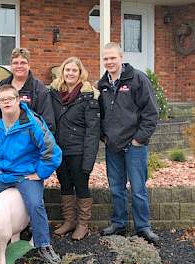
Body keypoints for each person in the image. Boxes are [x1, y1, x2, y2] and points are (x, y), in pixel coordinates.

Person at [0, 84, 62, 264]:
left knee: (35, 204)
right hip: (2, 174)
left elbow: (52, 151)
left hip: (26, 174)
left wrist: (40, 172)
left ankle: (43, 244)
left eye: (10, 98)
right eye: (2, 100)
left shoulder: (32, 122)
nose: (6, 102)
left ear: (18, 100)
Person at [98, 42, 159, 244]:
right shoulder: (103, 84)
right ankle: (119, 224)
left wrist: (139, 139)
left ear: (121, 57)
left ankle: (143, 227)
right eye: (106, 58)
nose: (109, 61)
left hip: (134, 145)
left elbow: (151, 112)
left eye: (112, 58)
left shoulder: (137, 78)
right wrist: (103, 136)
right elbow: (101, 114)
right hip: (113, 145)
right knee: (116, 188)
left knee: (138, 188)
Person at [50, 57, 100, 240]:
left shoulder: (88, 97)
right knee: (65, 186)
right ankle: (69, 221)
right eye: (67, 70)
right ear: (62, 72)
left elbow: (93, 132)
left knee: (81, 187)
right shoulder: (54, 93)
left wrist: (89, 160)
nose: (70, 73)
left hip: (79, 151)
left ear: (80, 74)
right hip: (59, 150)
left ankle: (82, 225)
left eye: (74, 70)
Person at [0, 48, 56, 134]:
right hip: (5, 139)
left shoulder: (39, 89)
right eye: (15, 63)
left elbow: (48, 123)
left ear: (29, 65)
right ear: (11, 65)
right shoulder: (3, 85)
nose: (19, 66)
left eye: (23, 63)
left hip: (29, 142)